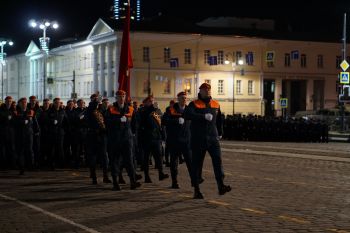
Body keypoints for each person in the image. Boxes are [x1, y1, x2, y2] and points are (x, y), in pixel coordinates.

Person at [185, 83, 231, 199]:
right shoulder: (194, 104)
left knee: (217, 161)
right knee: (197, 164)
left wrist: (220, 132)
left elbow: (219, 120)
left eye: (208, 90)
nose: (207, 91)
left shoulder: (215, 104)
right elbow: (187, 114)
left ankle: (221, 186)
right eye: (205, 90)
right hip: (198, 139)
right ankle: (196, 189)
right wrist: (203, 117)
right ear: (200, 91)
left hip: (212, 138)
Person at [105, 90, 141, 190]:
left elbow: (134, 123)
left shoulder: (130, 109)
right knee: (115, 161)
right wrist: (118, 120)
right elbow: (107, 122)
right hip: (115, 139)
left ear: (125, 97)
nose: (121, 98)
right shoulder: (111, 109)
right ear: (116, 97)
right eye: (119, 96)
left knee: (129, 161)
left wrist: (132, 134)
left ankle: (133, 181)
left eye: (123, 96)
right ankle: (115, 183)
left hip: (127, 139)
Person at [163, 92, 192, 189]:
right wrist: (176, 121)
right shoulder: (170, 109)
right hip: (174, 140)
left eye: (185, 98)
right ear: (178, 99)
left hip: (186, 141)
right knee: (174, 163)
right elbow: (164, 121)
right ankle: (174, 182)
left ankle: (194, 181)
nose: (184, 99)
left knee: (190, 162)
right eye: (182, 98)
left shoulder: (189, 110)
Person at [138, 95, 169, 183]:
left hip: (156, 137)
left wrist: (163, 134)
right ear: (145, 102)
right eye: (150, 101)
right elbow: (143, 120)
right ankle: (147, 176)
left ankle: (161, 173)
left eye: (152, 101)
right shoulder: (142, 110)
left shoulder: (157, 110)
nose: (152, 103)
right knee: (147, 158)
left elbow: (161, 123)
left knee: (159, 156)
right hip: (146, 138)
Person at [85, 94, 111, 184]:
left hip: (102, 135)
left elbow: (107, 119)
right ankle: (94, 177)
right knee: (93, 157)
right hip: (92, 135)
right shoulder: (89, 109)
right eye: (94, 99)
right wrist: (96, 101)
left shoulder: (102, 109)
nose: (97, 100)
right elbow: (92, 109)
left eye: (97, 99)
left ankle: (105, 176)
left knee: (104, 157)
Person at [13, 97, 40, 175]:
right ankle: (22, 167)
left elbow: (35, 122)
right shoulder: (16, 112)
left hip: (29, 134)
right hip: (20, 134)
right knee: (20, 151)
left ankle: (31, 166)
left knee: (30, 150)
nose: (24, 104)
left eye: (25, 102)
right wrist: (22, 122)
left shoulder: (30, 111)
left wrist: (37, 130)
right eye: (22, 102)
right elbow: (14, 123)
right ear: (19, 104)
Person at [0, 96, 17, 169]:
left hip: (11, 133)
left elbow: (16, 121)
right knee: (3, 149)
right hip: (2, 132)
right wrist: (6, 118)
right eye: (7, 101)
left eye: (10, 101)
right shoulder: (1, 110)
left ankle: (12, 164)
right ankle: (3, 164)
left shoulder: (14, 110)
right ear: (5, 101)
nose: (9, 103)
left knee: (11, 149)